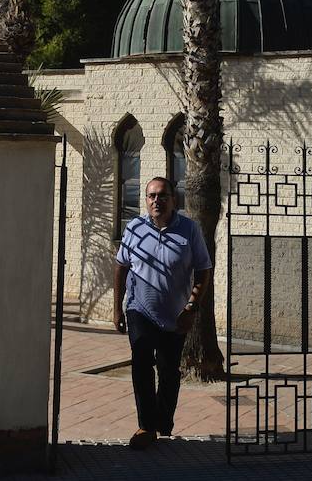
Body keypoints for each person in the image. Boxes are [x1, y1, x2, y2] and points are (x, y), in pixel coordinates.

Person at [113, 176, 212, 449]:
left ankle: (162, 422)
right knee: (141, 363)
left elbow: (204, 270)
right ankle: (146, 427)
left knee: (168, 371)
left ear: (173, 200)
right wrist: (117, 309)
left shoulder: (189, 230)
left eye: (162, 196)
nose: (157, 200)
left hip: (176, 315)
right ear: (146, 200)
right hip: (139, 309)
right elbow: (121, 267)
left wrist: (191, 307)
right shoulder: (134, 228)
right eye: (151, 196)